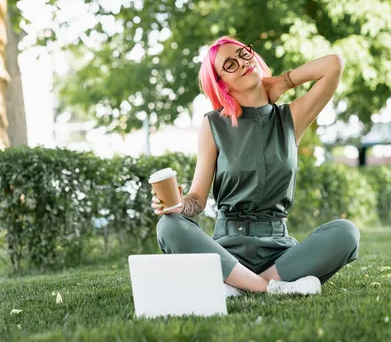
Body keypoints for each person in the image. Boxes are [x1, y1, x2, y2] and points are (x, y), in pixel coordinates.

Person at [151, 36, 360, 296]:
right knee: (169, 226)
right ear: (221, 85)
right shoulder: (214, 124)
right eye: (228, 65)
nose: (240, 63)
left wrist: (280, 83)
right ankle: (269, 288)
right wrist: (180, 206)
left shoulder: (290, 118)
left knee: (346, 232)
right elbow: (197, 200)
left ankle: (235, 286)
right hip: (227, 251)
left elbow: (334, 64)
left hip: (279, 254)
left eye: (243, 54)